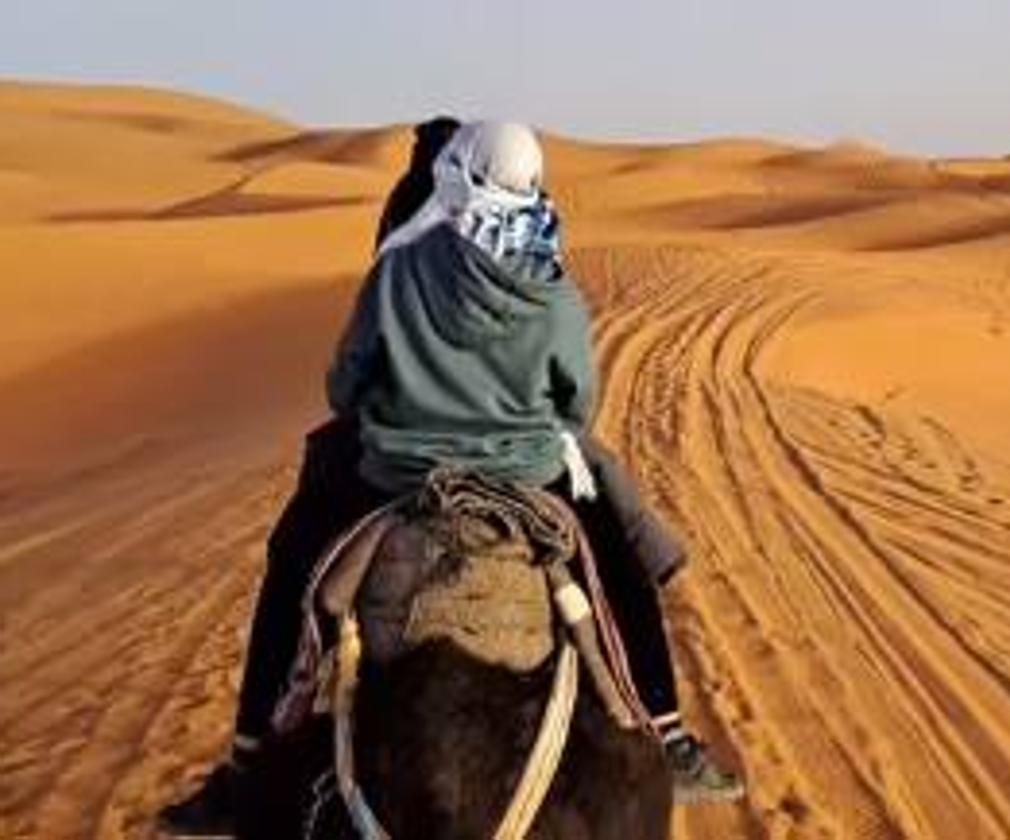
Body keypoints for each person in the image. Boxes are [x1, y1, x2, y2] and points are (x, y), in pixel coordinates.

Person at [159, 120, 741, 839]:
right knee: (616, 564)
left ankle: (248, 759)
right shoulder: (551, 287)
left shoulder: (398, 266)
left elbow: (347, 385)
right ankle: (667, 728)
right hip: (528, 473)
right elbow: (578, 402)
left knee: (295, 564)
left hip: (394, 469)